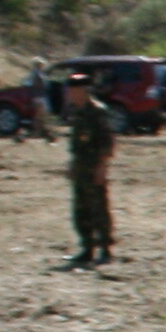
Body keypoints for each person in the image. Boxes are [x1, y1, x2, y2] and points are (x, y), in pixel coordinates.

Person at [59, 69, 121, 266]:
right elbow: (78, 145)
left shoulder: (97, 111)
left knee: (98, 209)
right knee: (81, 210)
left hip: (94, 168)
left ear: (83, 91)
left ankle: (105, 248)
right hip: (81, 168)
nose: (70, 94)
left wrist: (102, 167)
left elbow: (107, 142)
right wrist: (72, 165)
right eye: (70, 90)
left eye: (73, 90)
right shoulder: (77, 113)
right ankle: (87, 248)